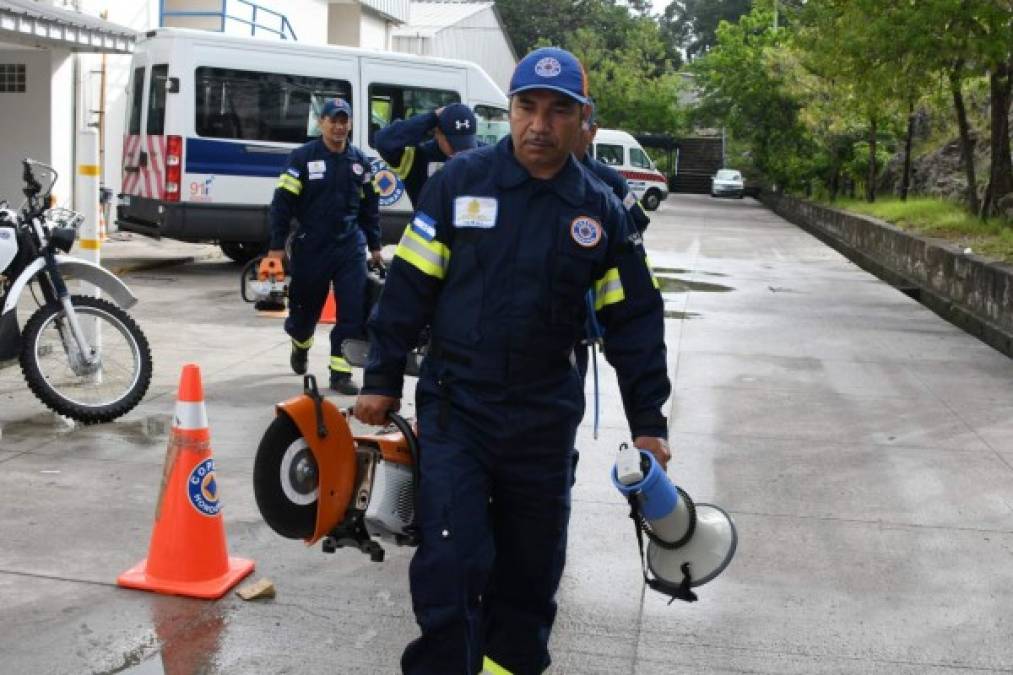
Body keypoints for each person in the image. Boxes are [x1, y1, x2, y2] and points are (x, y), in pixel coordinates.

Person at [354, 47, 671, 675]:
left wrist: (649, 421)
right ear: (512, 111)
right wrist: (383, 376)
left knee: (530, 575)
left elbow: (632, 319)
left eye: (559, 111)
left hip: (543, 420)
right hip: (457, 410)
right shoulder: (458, 184)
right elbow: (410, 283)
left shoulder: (600, 210)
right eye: (527, 107)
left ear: (585, 121)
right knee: (451, 558)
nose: (540, 125)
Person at [266, 97, 383, 394]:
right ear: (321, 123)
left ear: (350, 124)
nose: (339, 126)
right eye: (333, 120)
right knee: (305, 313)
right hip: (312, 246)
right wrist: (276, 247)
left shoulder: (360, 162)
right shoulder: (302, 158)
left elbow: (370, 207)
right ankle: (300, 343)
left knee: (353, 313)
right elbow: (282, 204)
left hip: (349, 248)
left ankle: (340, 372)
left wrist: (375, 245)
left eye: (344, 120)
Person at [373, 103, 479, 206]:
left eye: (466, 144)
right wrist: (432, 118)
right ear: (437, 133)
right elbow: (383, 141)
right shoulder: (417, 157)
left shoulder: (483, 155)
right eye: (454, 144)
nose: (460, 152)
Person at [573, 98, 651, 233]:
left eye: (577, 127)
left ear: (592, 132)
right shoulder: (533, 175)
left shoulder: (612, 181)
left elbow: (639, 218)